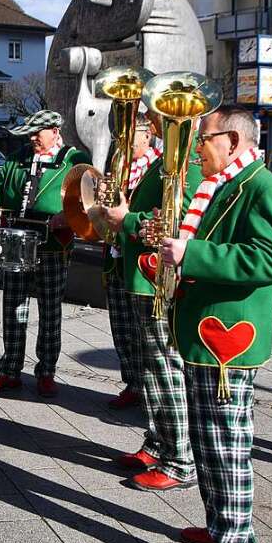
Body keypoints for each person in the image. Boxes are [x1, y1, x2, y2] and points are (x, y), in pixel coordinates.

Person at [156, 106, 272, 543]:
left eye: (204, 139)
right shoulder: (227, 185)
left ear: (233, 142)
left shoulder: (264, 190)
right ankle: (222, 531)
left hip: (228, 346)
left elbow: (269, 261)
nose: (196, 148)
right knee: (209, 445)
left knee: (227, 449)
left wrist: (190, 253)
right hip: (205, 337)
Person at [99, 111, 203, 493]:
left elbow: (177, 219)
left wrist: (126, 219)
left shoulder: (187, 165)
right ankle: (159, 442)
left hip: (158, 279)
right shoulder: (165, 161)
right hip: (140, 274)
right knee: (147, 369)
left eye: (160, 115)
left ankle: (180, 459)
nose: (152, 121)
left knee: (164, 368)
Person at [0, 110, 91, 397]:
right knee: (13, 306)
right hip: (17, 242)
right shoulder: (19, 156)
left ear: (55, 131)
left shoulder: (74, 160)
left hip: (53, 245)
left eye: (37, 133)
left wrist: (67, 218)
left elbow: (88, 201)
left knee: (50, 310)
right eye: (30, 133)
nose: (32, 138)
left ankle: (46, 371)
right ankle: (9, 369)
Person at [99, 115, 154, 410]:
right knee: (120, 325)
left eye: (129, 134)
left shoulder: (157, 167)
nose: (122, 140)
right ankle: (132, 382)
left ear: (147, 135)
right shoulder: (119, 166)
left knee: (142, 330)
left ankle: (149, 387)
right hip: (115, 256)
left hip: (140, 258)